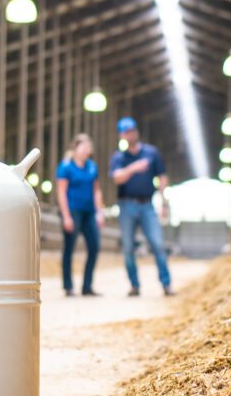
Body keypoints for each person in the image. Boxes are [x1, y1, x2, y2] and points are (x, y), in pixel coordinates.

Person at [109, 117, 174, 297]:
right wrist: (134, 168)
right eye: (126, 132)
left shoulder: (151, 153)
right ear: (121, 135)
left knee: (158, 244)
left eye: (132, 131)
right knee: (128, 247)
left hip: (147, 204)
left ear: (136, 132)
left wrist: (164, 203)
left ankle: (166, 284)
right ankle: (134, 285)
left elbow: (162, 177)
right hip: (126, 205)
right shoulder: (119, 158)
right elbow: (117, 178)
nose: (130, 134)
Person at [56, 133, 105, 297]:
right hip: (73, 211)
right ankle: (68, 286)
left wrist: (100, 212)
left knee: (94, 246)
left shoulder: (92, 166)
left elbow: (96, 191)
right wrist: (66, 216)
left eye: (89, 148)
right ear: (75, 148)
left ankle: (87, 285)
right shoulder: (66, 166)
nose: (87, 150)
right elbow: (61, 191)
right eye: (84, 147)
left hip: (89, 212)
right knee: (69, 248)